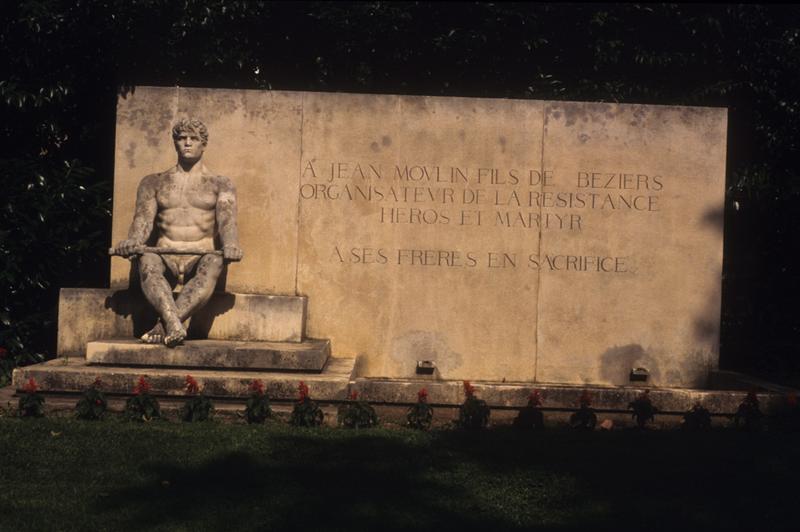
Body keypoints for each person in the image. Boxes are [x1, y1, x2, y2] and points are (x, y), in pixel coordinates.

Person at [114, 118, 243, 347]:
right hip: (164, 250)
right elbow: (143, 220)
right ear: (175, 143)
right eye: (182, 139)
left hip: (201, 252)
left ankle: (164, 324)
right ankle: (174, 324)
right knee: (146, 261)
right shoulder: (154, 182)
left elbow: (227, 221)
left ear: (204, 144)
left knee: (214, 262)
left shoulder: (219, 183)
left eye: (194, 139)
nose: (187, 143)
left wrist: (231, 244)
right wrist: (133, 242)